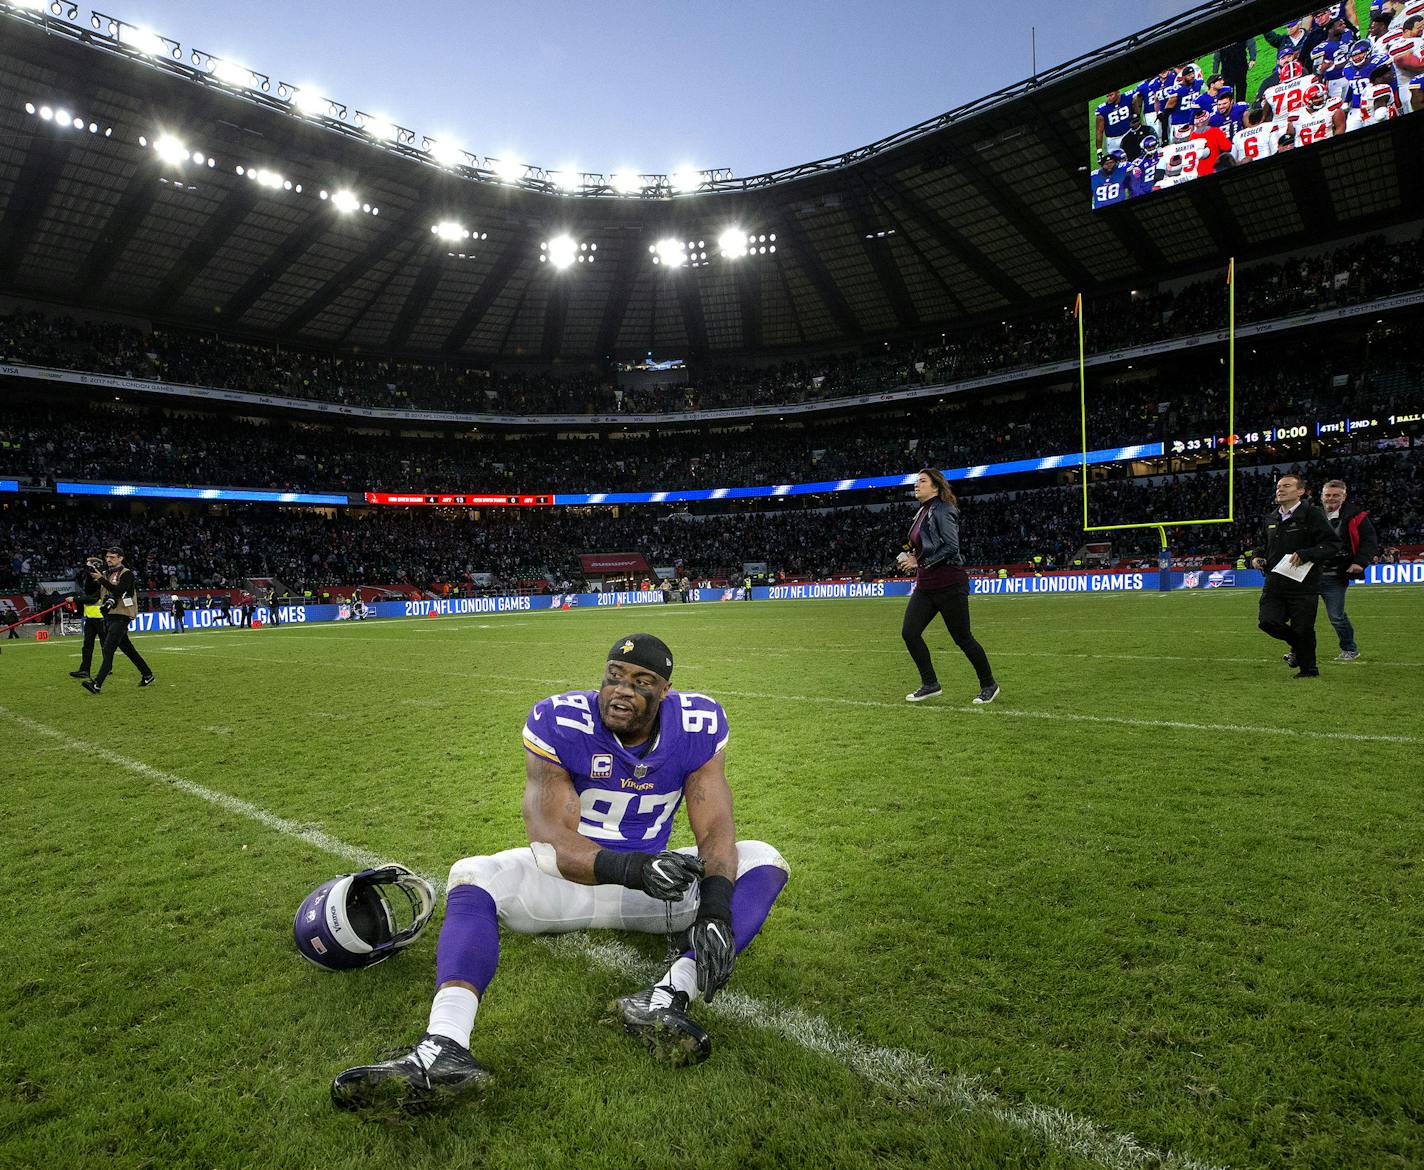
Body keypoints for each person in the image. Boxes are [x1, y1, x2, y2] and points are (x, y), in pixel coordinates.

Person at [329, 634, 790, 1114]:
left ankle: (667, 996)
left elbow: (715, 827)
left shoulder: (698, 725)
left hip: (658, 890)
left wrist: (715, 908)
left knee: (762, 857)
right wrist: (636, 868)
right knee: (472, 874)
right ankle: (442, 1047)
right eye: (614, 675)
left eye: (640, 682)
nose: (621, 690)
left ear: (665, 692)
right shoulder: (562, 720)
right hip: (570, 884)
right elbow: (549, 841)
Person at [896, 468, 999, 704]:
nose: (916, 485)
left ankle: (989, 684)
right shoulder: (922, 512)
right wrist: (909, 557)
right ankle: (930, 684)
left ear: (936, 486)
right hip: (926, 584)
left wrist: (919, 561)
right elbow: (925, 545)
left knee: (963, 638)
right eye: (916, 481)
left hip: (949, 583)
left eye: (922, 481)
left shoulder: (943, 509)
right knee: (909, 633)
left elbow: (952, 547)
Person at [1250, 475, 1340, 678]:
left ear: (1300, 491)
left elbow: (1332, 545)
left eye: (1287, 486)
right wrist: (1257, 557)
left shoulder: (1312, 514)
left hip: (1303, 583)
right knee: (1267, 621)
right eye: (1278, 486)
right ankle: (1297, 646)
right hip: (1274, 582)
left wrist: (1307, 553)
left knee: (1304, 628)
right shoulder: (1271, 517)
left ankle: (1309, 669)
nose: (1280, 490)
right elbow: (1262, 544)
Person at [1318, 479, 1378, 662]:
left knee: (1336, 616)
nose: (1331, 498)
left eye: (1336, 495)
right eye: (1328, 495)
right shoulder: (1313, 514)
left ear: (1344, 497)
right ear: (1322, 496)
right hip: (1310, 573)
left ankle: (1350, 649)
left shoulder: (1356, 516)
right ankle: (1299, 652)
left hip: (1335, 575)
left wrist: (1360, 562)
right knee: (1300, 615)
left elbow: (1369, 541)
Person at [80, 547, 155, 694]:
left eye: (112, 557)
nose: (108, 559)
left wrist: (100, 578)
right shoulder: (106, 574)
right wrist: (90, 576)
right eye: (107, 557)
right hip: (110, 616)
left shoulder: (127, 574)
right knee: (128, 649)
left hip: (122, 615)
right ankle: (147, 674)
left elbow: (118, 591)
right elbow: (91, 592)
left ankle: (97, 684)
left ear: (121, 558)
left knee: (108, 649)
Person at [69, 555, 105, 678]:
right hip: (91, 616)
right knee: (87, 645)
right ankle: (84, 670)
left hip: (101, 616)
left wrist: (75, 599)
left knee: (105, 644)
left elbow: (93, 598)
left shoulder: (100, 580)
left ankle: (106, 667)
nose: (87, 567)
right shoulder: (89, 579)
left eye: (89, 564)